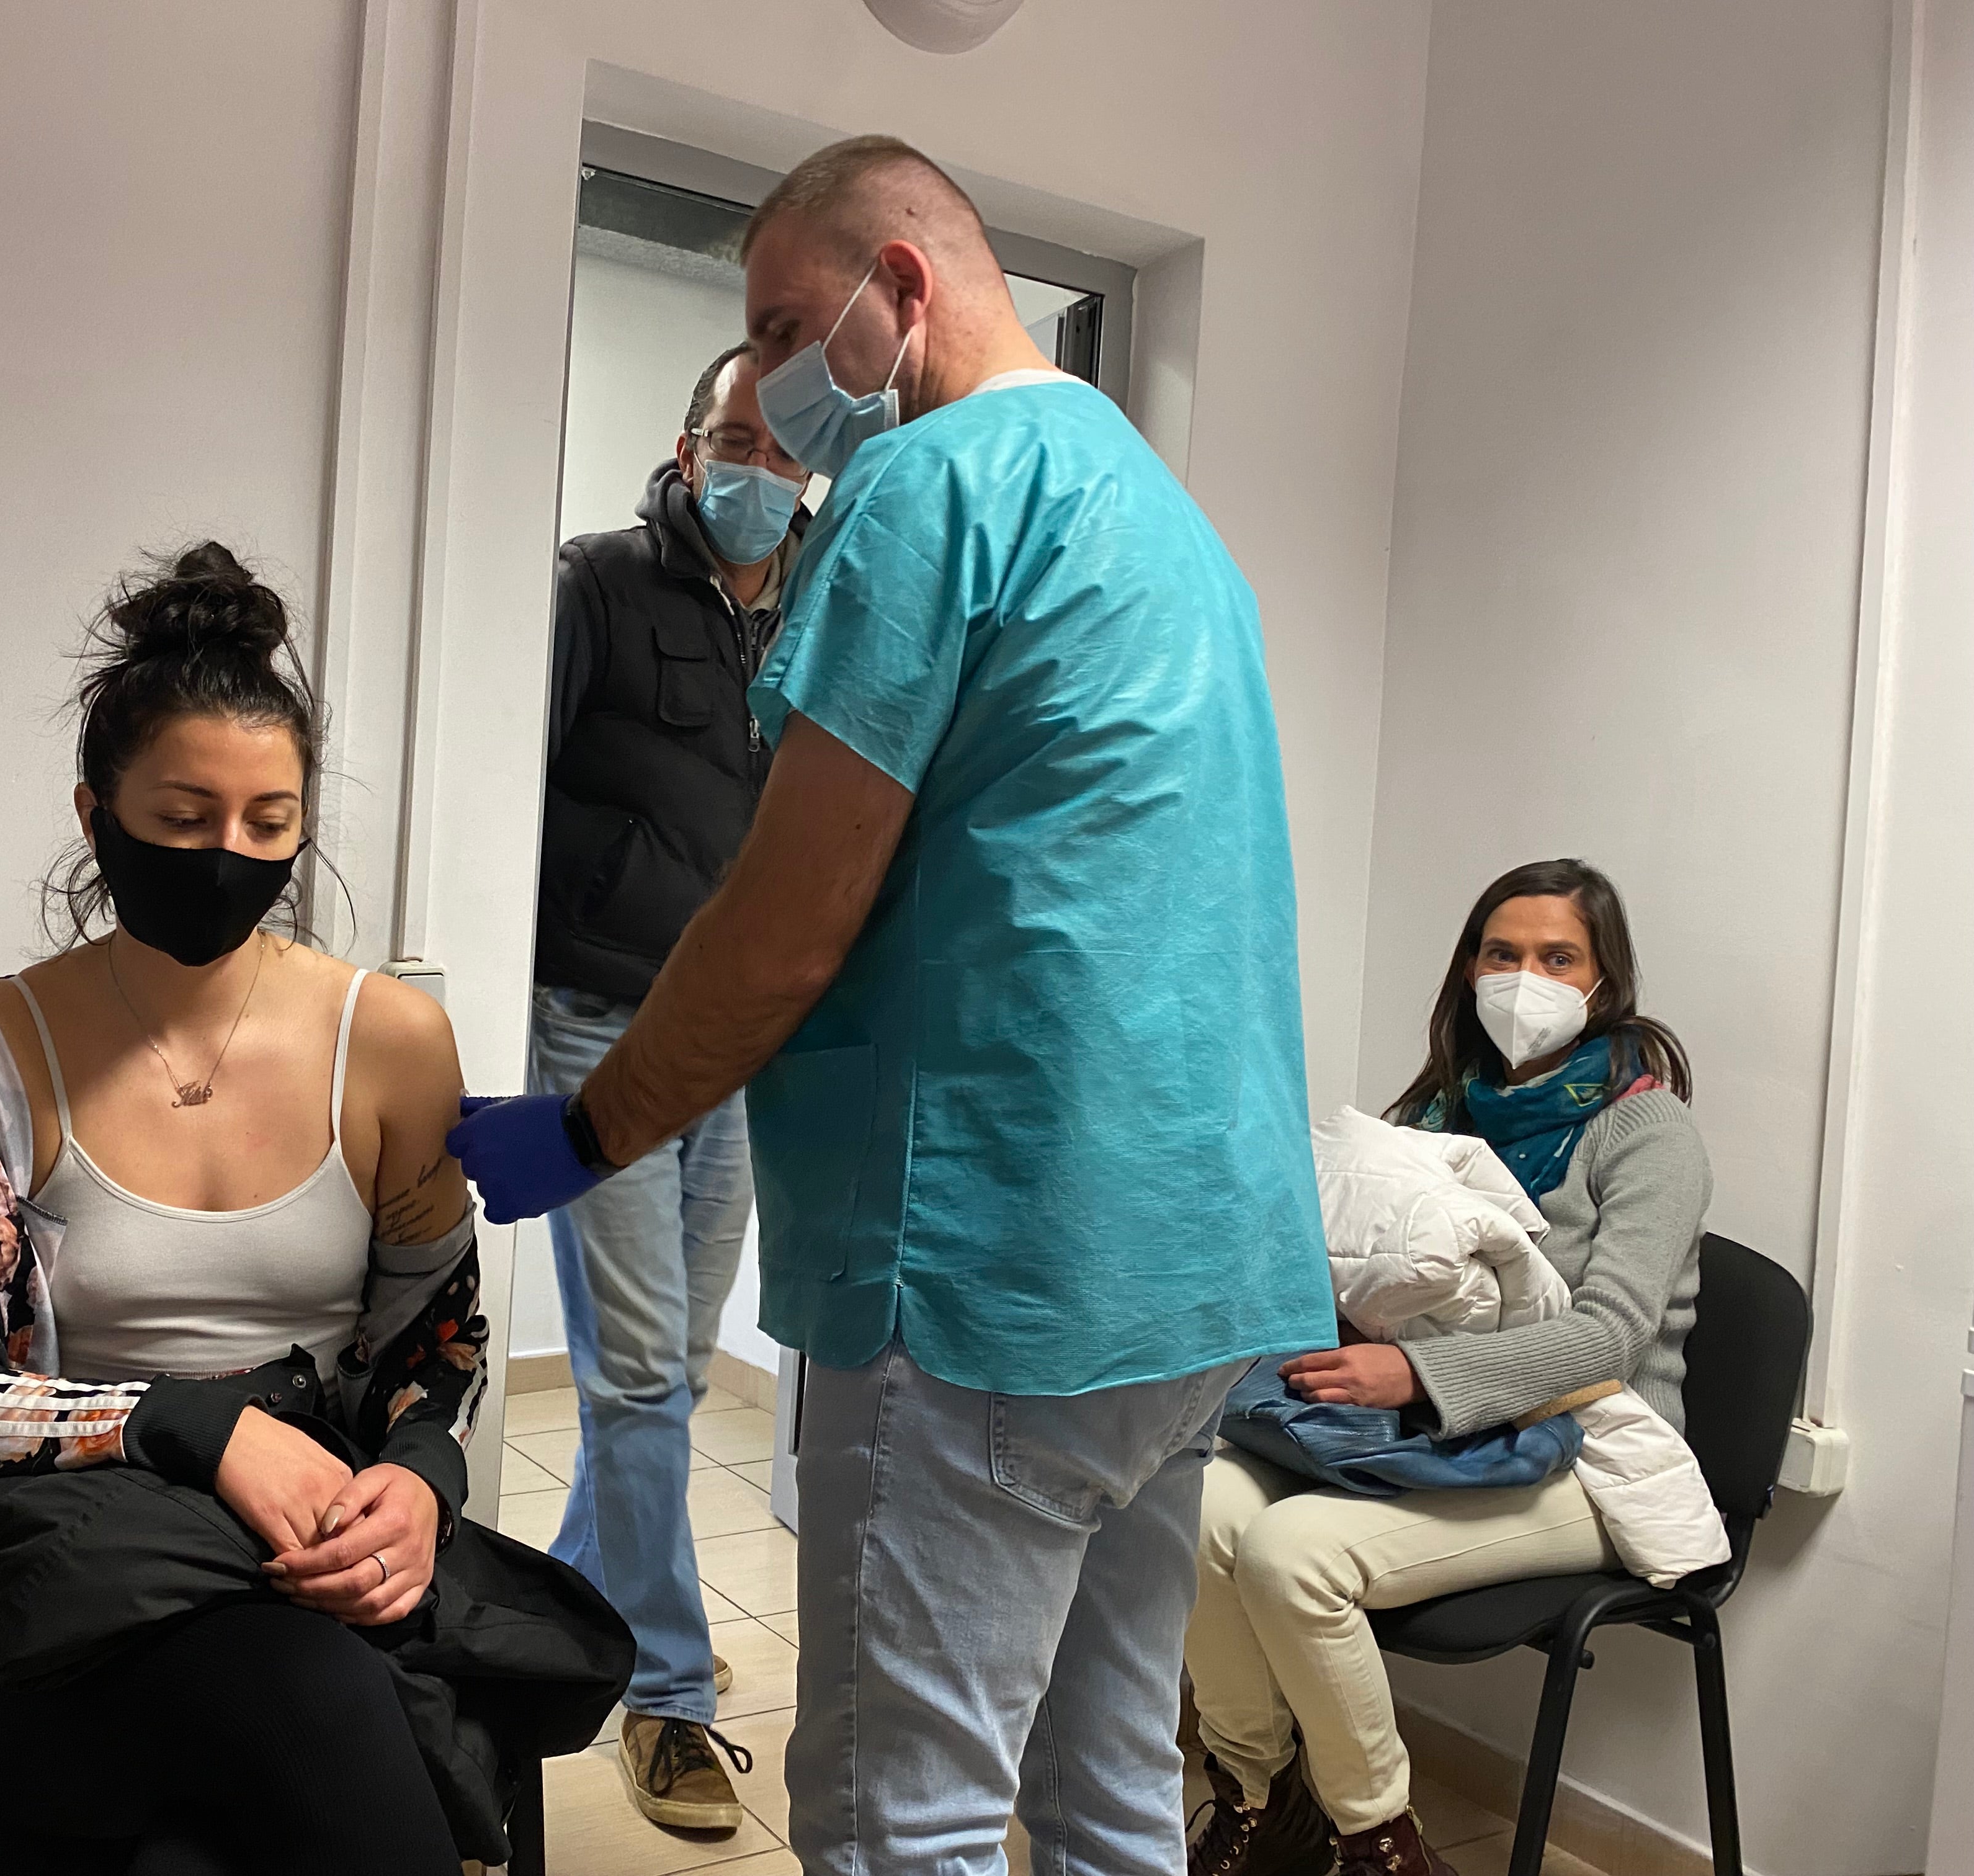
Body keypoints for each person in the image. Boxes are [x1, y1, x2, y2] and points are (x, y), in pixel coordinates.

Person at [452, 136, 1335, 1875]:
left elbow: (783, 928)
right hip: (1194, 1278)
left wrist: (583, 1132)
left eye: (790, 319)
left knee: (894, 1823)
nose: (780, 374)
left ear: (903, 285)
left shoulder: (929, 494)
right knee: (1107, 1803)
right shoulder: (1159, 509)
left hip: (999, 1282)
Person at [0, 545, 622, 1876]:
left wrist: (421, 1483)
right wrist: (192, 1429)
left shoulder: (388, 1041)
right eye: (187, 815)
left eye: (270, 825)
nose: (230, 853)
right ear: (96, 816)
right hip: (67, 1539)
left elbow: (433, 1341)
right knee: (317, 1699)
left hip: (307, 1525)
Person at [1184, 858, 1708, 1876]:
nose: (1526, 977)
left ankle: (1382, 1844)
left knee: (1296, 1556)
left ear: (1605, 981)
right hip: (1428, 1436)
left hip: (1592, 1448)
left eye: (1559, 958)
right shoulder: (1436, 1112)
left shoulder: (1650, 1129)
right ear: (1469, 969)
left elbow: (1613, 1334)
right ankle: (1259, 1802)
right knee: (1195, 1504)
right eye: (1501, 953)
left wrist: (1419, 1377)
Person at [530, 342, 809, 1830]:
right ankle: (671, 1699)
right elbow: (514, 786)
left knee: (671, 1377)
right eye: (737, 443)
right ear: (688, 445)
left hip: (746, 1050)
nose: (762, 476)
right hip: (601, 1031)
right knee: (638, 1377)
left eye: (786, 451)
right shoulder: (597, 584)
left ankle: (550, 1617)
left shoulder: (835, 604)